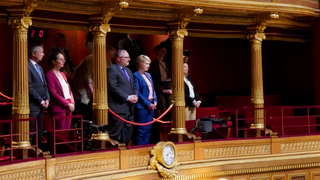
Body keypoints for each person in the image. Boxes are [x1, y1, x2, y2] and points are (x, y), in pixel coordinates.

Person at [72, 45, 115, 120]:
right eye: (109, 55)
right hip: (83, 87)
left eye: (112, 55)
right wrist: (93, 92)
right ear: (104, 53)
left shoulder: (108, 60)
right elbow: (87, 77)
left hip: (95, 87)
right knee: (84, 109)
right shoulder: (92, 59)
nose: (111, 57)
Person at [107, 50, 138, 145]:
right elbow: (112, 87)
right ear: (118, 59)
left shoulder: (128, 70)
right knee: (115, 135)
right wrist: (127, 97)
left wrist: (135, 96)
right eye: (126, 57)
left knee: (127, 134)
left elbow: (134, 86)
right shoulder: (112, 69)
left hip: (129, 108)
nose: (129, 59)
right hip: (118, 108)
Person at [28, 44, 50, 146]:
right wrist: (41, 101)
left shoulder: (40, 67)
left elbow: (45, 85)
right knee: (31, 131)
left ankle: (38, 151)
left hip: (42, 106)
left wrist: (47, 99)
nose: (43, 54)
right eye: (41, 52)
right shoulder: (26, 66)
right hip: (33, 105)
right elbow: (29, 87)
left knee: (39, 132)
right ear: (33, 54)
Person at [46, 52, 75, 129]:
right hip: (58, 108)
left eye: (64, 59)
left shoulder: (62, 74)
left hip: (68, 107)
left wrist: (72, 102)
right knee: (59, 133)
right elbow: (53, 93)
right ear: (54, 61)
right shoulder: (49, 75)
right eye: (60, 59)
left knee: (66, 133)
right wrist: (67, 104)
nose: (63, 61)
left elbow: (69, 90)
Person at [133, 55, 157, 145]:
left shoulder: (148, 75)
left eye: (149, 64)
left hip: (151, 105)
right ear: (140, 64)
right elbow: (137, 93)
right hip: (141, 107)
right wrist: (148, 104)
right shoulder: (136, 75)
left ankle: (145, 147)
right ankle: (139, 150)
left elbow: (153, 89)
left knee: (148, 130)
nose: (148, 66)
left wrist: (155, 101)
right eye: (146, 64)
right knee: (141, 130)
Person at [149, 44, 172, 111]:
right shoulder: (153, 64)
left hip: (168, 86)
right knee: (162, 107)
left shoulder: (168, 62)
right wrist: (162, 90)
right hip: (159, 88)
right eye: (162, 51)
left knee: (170, 106)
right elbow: (152, 79)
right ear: (157, 52)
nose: (164, 53)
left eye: (165, 51)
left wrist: (170, 89)